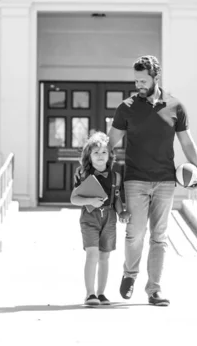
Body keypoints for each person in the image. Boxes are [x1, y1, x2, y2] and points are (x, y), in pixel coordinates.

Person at [107, 55, 197, 307]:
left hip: (165, 180)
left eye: (142, 80)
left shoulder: (175, 106)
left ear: (155, 78)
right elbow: (110, 142)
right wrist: (93, 167)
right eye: (136, 80)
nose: (138, 84)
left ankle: (154, 289)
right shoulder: (126, 108)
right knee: (135, 233)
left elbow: (186, 142)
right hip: (135, 179)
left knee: (160, 236)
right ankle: (130, 275)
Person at [70, 131, 129, 306]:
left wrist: (122, 213)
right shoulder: (83, 174)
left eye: (104, 152)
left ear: (110, 155)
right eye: (96, 152)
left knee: (105, 256)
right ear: (89, 155)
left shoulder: (116, 176)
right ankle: (90, 294)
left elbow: (116, 197)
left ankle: (101, 293)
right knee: (92, 254)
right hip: (90, 217)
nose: (100, 156)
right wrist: (90, 201)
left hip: (109, 218)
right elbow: (74, 199)